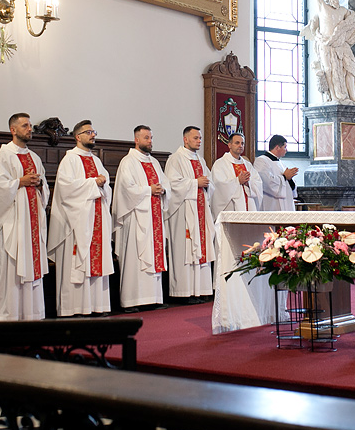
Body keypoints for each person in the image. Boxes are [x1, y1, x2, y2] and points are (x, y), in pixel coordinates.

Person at [0, 113, 49, 321]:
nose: (29, 129)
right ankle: (5, 316)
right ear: (13, 130)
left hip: (31, 223)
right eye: (25, 126)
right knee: (10, 271)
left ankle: (32, 314)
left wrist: (40, 184)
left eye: (30, 126)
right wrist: (20, 182)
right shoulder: (3, 156)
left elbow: (44, 189)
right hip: (12, 224)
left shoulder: (35, 157)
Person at [48, 120, 113, 316]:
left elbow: (105, 187)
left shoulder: (96, 160)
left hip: (97, 219)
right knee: (77, 263)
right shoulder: (70, 160)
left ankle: (97, 305)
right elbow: (67, 190)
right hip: (77, 222)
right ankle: (74, 308)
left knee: (96, 261)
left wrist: (102, 185)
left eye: (94, 131)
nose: (93, 135)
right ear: (78, 137)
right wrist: (94, 183)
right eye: (88, 132)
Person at [112, 125, 170, 312]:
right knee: (134, 259)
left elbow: (165, 183)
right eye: (146, 138)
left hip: (154, 217)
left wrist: (163, 190)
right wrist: (149, 190)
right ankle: (132, 301)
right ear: (136, 140)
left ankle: (153, 298)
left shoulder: (154, 162)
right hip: (136, 218)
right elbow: (125, 190)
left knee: (154, 254)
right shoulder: (128, 162)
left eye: (151, 137)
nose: (150, 141)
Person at [164, 125, 214, 303]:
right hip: (184, 212)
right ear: (185, 139)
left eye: (200, 138)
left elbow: (210, 182)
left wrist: (206, 184)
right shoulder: (175, 159)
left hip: (200, 209)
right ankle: (183, 292)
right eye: (195, 138)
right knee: (185, 249)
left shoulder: (200, 160)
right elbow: (172, 184)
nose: (199, 141)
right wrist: (195, 183)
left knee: (201, 248)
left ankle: (201, 289)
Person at [210, 132, 262, 218]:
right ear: (229, 145)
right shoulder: (220, 164)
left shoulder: (248, 165)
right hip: (230, 208)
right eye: (237, 143)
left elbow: (258, 183)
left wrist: (248, 183)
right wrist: (237, 181)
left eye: (242, 143)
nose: (240, 145)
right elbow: (218, 186)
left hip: (249, 207)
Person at [253, 134, 298, 211]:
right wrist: (284, 177)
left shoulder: (281, 163)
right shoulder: (261, 161)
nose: (286, 150)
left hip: (286, 204)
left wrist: (290, 179)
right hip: (271, 204)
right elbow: (266, 183)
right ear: (277, 147)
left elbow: (288, 185)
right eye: (285, 147)